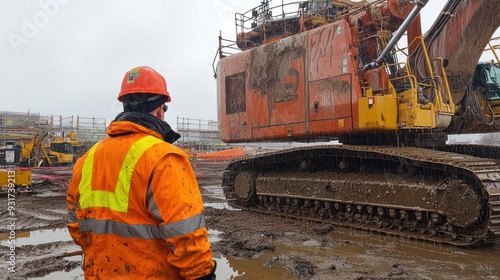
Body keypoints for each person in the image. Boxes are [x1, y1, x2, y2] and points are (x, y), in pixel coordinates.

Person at [66, 66, 216, 280]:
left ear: (125, 105)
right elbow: (187, 237)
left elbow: (75, 226)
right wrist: (202, 275)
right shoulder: (164, 158)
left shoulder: (87, 159)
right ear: (159, 109)